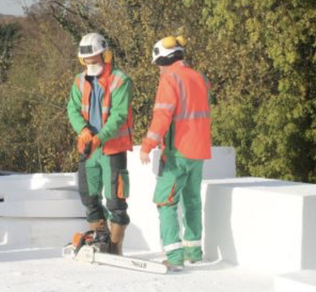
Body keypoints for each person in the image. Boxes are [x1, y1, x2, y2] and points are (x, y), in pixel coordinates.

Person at [139, 36, 212, 271]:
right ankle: (194, 251)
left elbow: (163, 115)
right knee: (192, 200)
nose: (158, 69)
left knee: (165, 201)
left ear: (164, 59)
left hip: (178, 151)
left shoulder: (169, 78)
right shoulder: (200, 77)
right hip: (199, 151)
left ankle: (174, 255)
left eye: (158, 63)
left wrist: (147, 145)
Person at [67, 33, 134, 255]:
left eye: (95, 59)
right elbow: (72, 109)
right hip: (88, 149)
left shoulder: (120, 80)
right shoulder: (78, 81)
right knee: (88, 197)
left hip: (112, 148)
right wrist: (84, 131)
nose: (91, 63)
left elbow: (119, 115)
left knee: (116, 201)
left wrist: (99, 138)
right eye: (87, 60)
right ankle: (101, 240)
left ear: (105, 55)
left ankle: (115, 248)